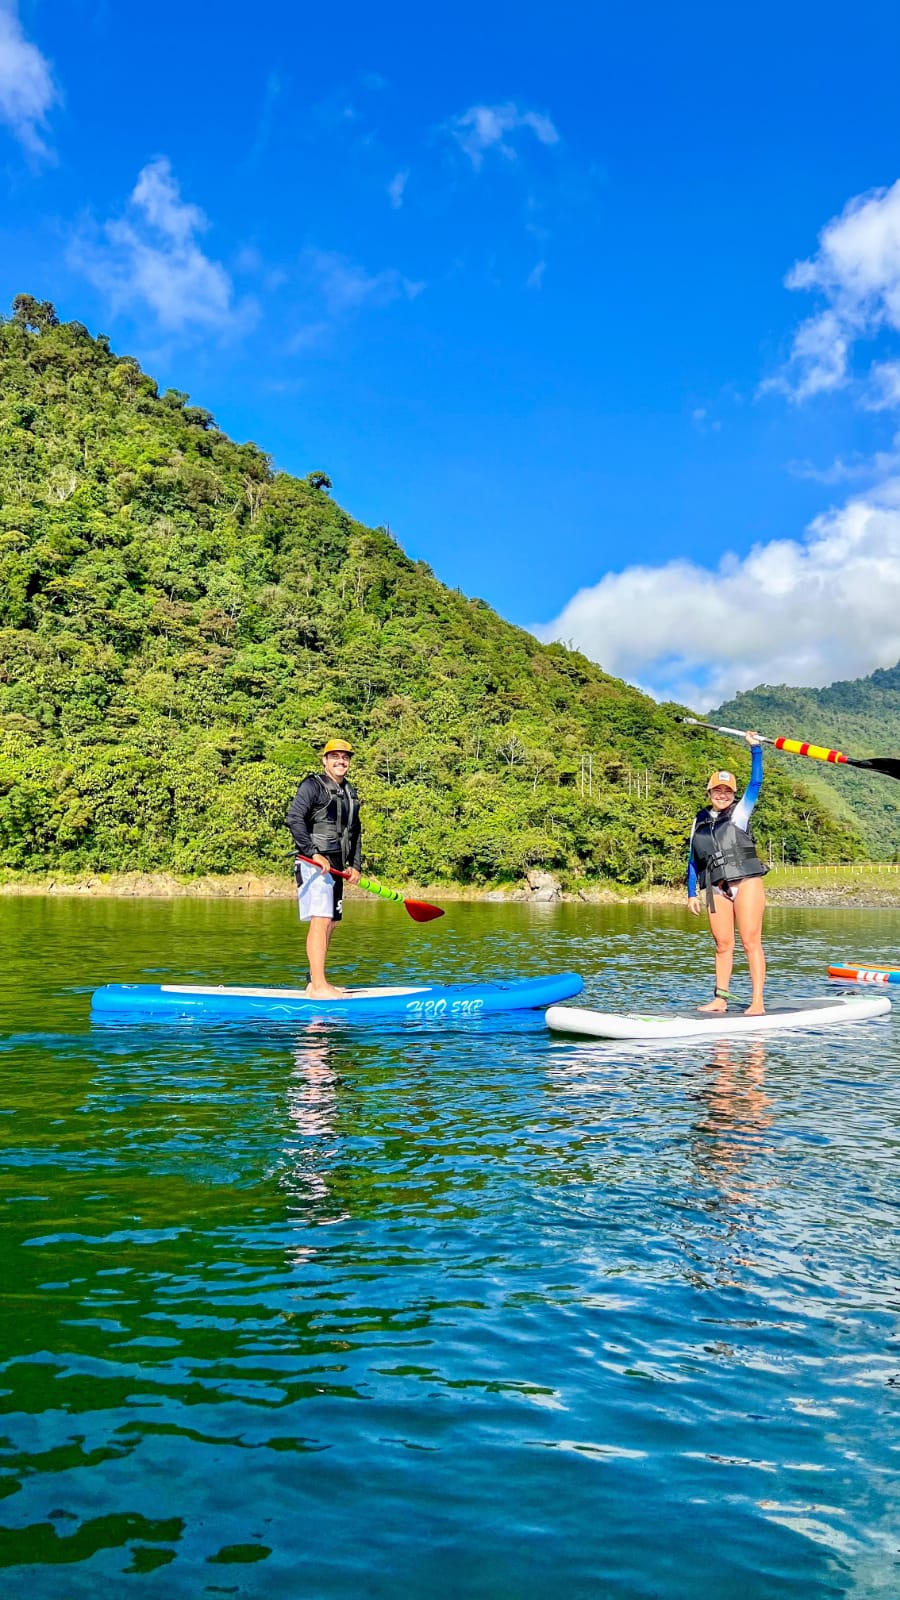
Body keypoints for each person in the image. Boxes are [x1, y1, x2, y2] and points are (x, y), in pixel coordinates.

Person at [687, 732, 767, 1015]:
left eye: (728, 791)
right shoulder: (699, 820)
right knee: (722, 944)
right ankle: (720, 999)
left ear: (733, 795)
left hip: (745, 882)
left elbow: (756, 782)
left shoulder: (740, 813)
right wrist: (691, 892)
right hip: (715, 888)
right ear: (709, 793)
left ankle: (757, 1001)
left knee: (749, 940)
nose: (722, 795)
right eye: (717, 791)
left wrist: (755, 749)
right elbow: (693, 858)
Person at [286, 738, 361, 998]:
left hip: (339, 867)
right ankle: (319, 986)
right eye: (335, 757)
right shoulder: (312, 785)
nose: (341, 761)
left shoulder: (350, 792)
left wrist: (355, 865)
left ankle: (313, 981)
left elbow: (356, 831)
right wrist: (312, 853)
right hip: (313, 864)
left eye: (345, 757)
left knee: (332, 923)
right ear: (325, 760)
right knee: (321, 919)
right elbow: (294, 818)